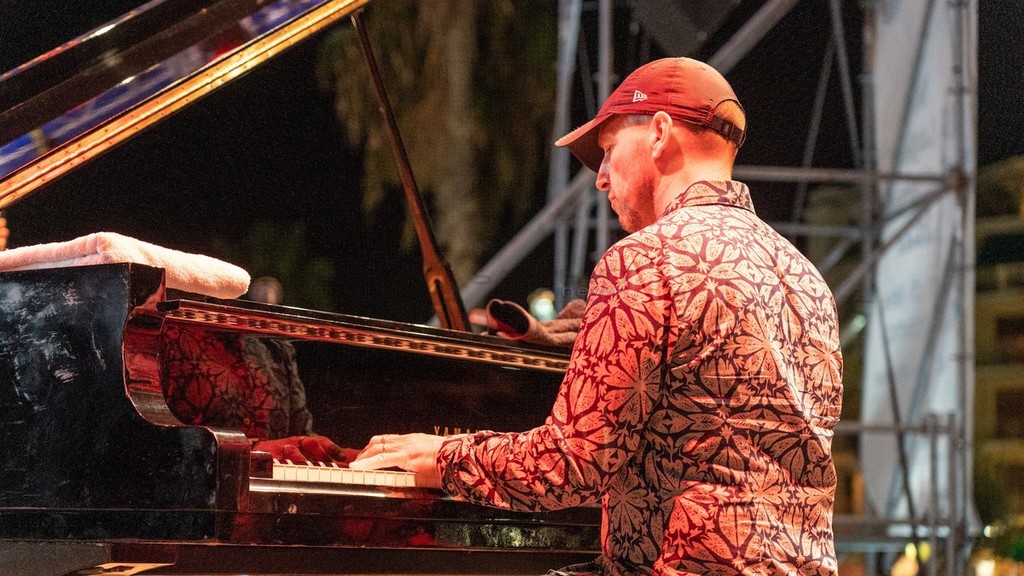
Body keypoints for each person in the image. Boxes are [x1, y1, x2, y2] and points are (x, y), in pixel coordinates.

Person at [351, 57, 843, 575]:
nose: (601, 179)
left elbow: (566, 467)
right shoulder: (806, 278)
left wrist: (440, 456)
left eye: (608, 150)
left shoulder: (645, 260)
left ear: (659, 133)